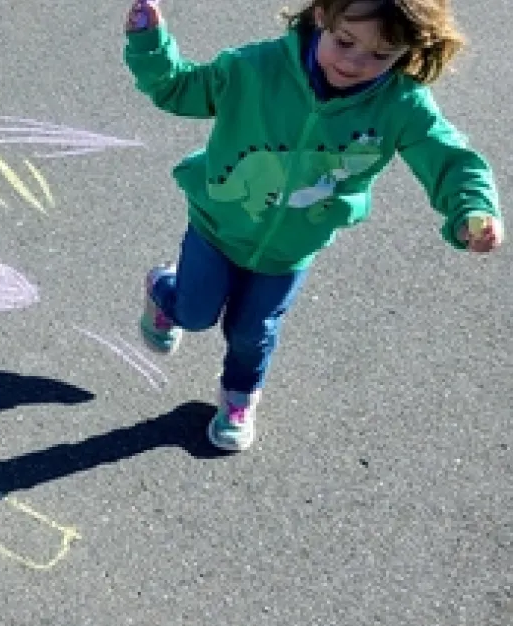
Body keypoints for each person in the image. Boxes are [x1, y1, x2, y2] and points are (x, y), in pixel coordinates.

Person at [122, 0, 502, 452]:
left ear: (407, 51)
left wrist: (472, 208)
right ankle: (165, 291)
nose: (355, 63)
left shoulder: (400, 104)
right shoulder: (255, 68)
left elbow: (450, 158)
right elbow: (179, 88)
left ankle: (239, 395)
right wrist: (150, 44)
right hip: (217, 227)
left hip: (289, 250)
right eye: (345, 41)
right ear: (322, 15)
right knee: (194, 312)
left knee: (254, 331)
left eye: (381, 55)